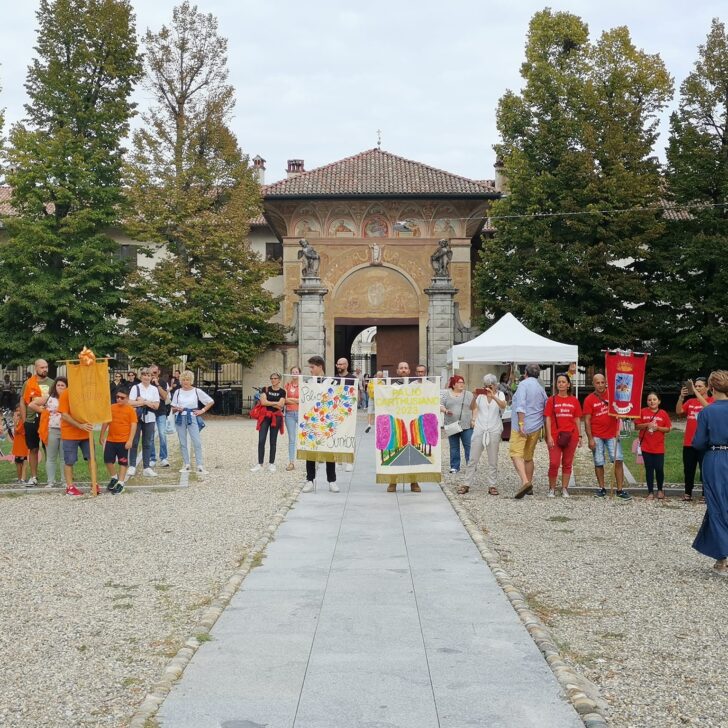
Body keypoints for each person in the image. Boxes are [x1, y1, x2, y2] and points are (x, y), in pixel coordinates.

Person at [691, 370, 728, 575]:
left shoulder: (708, 412)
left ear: (711, 389)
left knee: (717, 505)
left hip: (715, 459)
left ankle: (723, 558)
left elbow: (698, 442)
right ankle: (720, 555)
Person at [583, 373, 631, 500]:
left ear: (606, 382)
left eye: (602, 382)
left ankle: (620, 490)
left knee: (618, 460)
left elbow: (624, 408)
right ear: (593, 384)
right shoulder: (589, 399)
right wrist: (590, 438)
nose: (600, 385)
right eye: (597, 383)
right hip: (597, 435)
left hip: (612, 434)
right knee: (599, 462)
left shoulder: (614, 394)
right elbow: (587, 420)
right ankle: (602, 488)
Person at [461, 374, 505, 495]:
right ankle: (466, 483)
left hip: (494, 428)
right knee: (473, 458)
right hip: (480, 428)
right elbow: (471, 408)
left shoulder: (500, 394)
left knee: (493, 459)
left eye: (489, 386)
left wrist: (493, 396)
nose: (487, 388)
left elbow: (503, 406)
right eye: (485, 386)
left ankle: (492, 485)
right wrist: (475, 397)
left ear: (495, 385)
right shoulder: (480, 396)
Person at [302, 356, 339, 493]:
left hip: (327, 421)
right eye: (310, 367)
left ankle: (332, 481)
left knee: (329, 452)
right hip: (312, 422)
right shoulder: (308, 382)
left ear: (320, 367)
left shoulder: (332, 382)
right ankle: (310, 480)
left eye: (312, 367)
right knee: (310, 452)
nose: (310, 370)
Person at [511, 363, 548, 499]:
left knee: (515, 454)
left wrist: (521, 423)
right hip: (536, 426)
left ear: (525, 373)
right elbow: (545, 405)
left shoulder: (523, 385)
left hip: (522, 426)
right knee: (528, 456)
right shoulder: (540, 388)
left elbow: (521, 405)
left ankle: (525, 482)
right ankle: (529, 485)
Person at [544, 373, 583, 498]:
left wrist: (580, 436)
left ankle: (565, 488)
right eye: (559, 382)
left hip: (571, 436)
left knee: (567, 462)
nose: (561, 384)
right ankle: (552, 488)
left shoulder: (574, 401)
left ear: (568, 385)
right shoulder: (551, 400)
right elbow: (548, 419)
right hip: (555, 436)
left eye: (563, 382)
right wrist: (549, 436)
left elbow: (577, 419)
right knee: (554, 462)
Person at [676, 377, 713, 502]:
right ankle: (688, 493)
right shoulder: (691, 401)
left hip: (705, 442)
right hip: (689, 442)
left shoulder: (712, 401)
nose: (696, 388)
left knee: (705, 469)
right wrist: (681, 397)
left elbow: (708, 408)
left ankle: (704, 494)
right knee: (688, 469)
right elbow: (678, 411)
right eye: (695, 386)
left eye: (700, 386)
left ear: (707, 387)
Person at [387, 361, 421, 493]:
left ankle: (414, 482)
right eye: (401, 368)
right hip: (397, 422)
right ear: (397, 371)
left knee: (412, 452)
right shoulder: (391, 387)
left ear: (409, 371)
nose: (403, 370)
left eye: (406, 368)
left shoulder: (415, 387)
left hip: (412, 422)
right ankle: (393, 481)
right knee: (395, 452)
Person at [170, 370, 213, 474]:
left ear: (191, 380)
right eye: (184, 379)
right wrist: (177, 409)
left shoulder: (196, 391)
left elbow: (210, 401)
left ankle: (200, 465)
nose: (185, 382)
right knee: (183, 442)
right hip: (180, 417)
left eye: (188, 379)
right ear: (181, 380)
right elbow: (172, 408)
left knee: (197, 441)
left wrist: (202, 410)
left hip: (192, 417)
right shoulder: (178, 392)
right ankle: (187, 464)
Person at [20, 359, 54, 487]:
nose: (44, 369)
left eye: (46, 367)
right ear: (36, 368)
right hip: (31, 419)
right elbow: (23, 402)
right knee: (33, 448)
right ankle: (34, 477)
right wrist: (24, 420)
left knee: (48, 449)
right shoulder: (28, 383)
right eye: (42, 367)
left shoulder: (52, 383)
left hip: (47, 420)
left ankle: (50, 478)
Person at [57, 384, 93, 496]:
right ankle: (70, 487)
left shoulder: (88, 392)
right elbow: (64, 415)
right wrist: (79, 425)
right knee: (69, 460)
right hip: (70, 434)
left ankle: (94, 483)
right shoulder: (66, 393)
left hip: (86, 433)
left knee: (92, 458)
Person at [100, 387, 137, 494]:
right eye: (117, 397)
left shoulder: (130, 410)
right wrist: (102, 435)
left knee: (122, 462)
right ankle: (114, 477)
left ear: (127, 398)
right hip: (111, 439)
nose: (119, 399)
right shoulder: (111, 407)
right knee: (107, 460)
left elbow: (133, 425)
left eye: (122, 397)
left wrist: (130, 440)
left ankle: (121, 483)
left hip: (123, 440)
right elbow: (106, 421)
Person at [636, 392, 672, 501]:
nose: (652, 401)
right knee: (649, 469)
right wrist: (647, 424)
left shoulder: (663, 413)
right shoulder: (642, 411)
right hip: (646, 445)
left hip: (659, 447)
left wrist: (658, 428)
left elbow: (668, 428)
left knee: (659, 469)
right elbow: (637, 426)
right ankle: (650, 492)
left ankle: (660, 490)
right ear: (647, 401)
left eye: (654, 399)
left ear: (659, 401)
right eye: (649, 399)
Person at [127, 368, 160, 478]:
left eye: (149, 375)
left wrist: (143, 401)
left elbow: (156, 405)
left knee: (147, 443)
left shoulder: (154, 389)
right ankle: (132, 465)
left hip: (150, 418)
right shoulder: (135, 388)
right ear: (141, 376)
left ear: (151, 377)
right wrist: (143, 403)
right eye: (144, 375)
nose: (146, 377)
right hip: (137, 417)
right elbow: (130, 402)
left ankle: (146, 467)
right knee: (134, 441)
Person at [251, 372, 286, 473]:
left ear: (279, 380)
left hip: (276, 417)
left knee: (273, 441)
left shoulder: (282, 391)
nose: (273, 380)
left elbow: (281, 405)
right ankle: (260, 463)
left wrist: (271, 403)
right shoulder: (265, 389)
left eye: (275, 378)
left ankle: (271, 463)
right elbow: (263, 402)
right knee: (261, 440)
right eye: (271, 378)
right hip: (265, 416)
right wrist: (276, 403)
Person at [441, 375, 474, 474]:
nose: (461, 384)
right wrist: (446, 411)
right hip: (452, 424)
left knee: (468, 445)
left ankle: (470, 466)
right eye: (459, 382)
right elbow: (440, 405)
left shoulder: (468, 394)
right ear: (453, 384)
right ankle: (455, 466)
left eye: (462, 382)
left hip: (466, 424)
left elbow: (475, 407)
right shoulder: (446, 394)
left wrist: (474, 419)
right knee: (454, 446)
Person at [40, 377, 67, 489]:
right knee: (51, 457)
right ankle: (50, 481)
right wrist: (43, 411)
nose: (60, 387)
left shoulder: (69, 398)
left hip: (65, 430)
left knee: (64, 457)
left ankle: (65, 480)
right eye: (58, 385)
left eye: (62, 385)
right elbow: (33, 404)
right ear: (55, 386)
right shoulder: (49, 397)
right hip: (52, 429)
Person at [334, 358, 356, 472]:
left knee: (349, 436)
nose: (339, 366)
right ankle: (338, 460)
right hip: (336, 412)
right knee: (337, 436)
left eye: (341, 364)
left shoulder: (353, 379)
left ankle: (349, 461)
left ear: (346, 365)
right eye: (338, 364)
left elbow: (356, 395)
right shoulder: (334, 379)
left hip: (349, 412)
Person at [149, 364, 171, 468]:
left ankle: (164, 457)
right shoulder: (146, 382)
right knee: (151, 436)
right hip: (150, 411)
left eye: (155, 372)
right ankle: (152, 458)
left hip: (161, 411)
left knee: (162, 434)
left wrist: (157, 385)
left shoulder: (162, 382)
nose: (153, 375)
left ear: (159, 372)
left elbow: (165, 397)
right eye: (151, 373)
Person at [284, 366, 301, 471]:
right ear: (290, 373)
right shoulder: (287, 385)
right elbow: (285, 400)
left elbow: (302, 400)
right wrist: (296, 400)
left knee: (306, 436)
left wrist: (291, 399)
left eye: (296, 372)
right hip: (289, 414)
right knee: (291, 439)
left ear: (299, 373)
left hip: (300, 413)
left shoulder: (303, 385)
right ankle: (291, 462)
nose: (295, 373)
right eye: (293, 372)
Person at [11, 405, 28, 484]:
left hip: (21, 445)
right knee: (19, 462)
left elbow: (17, 430)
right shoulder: (20, 420)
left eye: (19, 410)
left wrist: (14, 423)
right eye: (16, 410)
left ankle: (21, 478)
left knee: (20, 462)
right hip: (18, 445)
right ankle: (21, 478)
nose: (18, 412)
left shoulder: (22, 421)